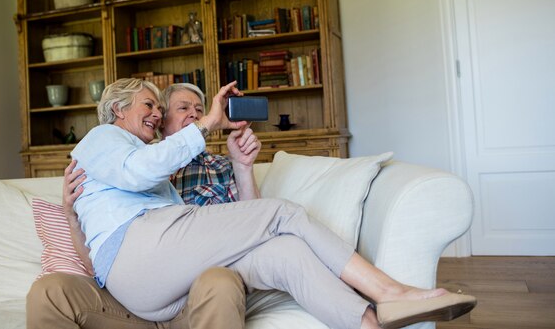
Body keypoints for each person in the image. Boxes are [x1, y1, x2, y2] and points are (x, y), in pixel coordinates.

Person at [69, 78, 476, 329]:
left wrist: (242, 166)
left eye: (161, 107)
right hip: (140, 259)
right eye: (150, 105)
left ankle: (369, 322)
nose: (157, 114)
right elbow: (140, 172)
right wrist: (209, 121)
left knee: (286, 251)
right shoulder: (105, 138)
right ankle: (388, 290)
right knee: (281, 211)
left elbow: (241, 222)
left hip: (169, 285)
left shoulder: (165, 175)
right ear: (118, 109)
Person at [27, 83, 261, 329]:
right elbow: (100, 264)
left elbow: (253, 226)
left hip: (192, 297)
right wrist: (71, 215)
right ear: (161, 122)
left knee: (221, 281)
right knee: (49, 290)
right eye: (183, 108)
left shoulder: (220, 166)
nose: (195, 115)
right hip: (127, 303)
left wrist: (242, 166)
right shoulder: (120, 165)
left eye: (201, 110)